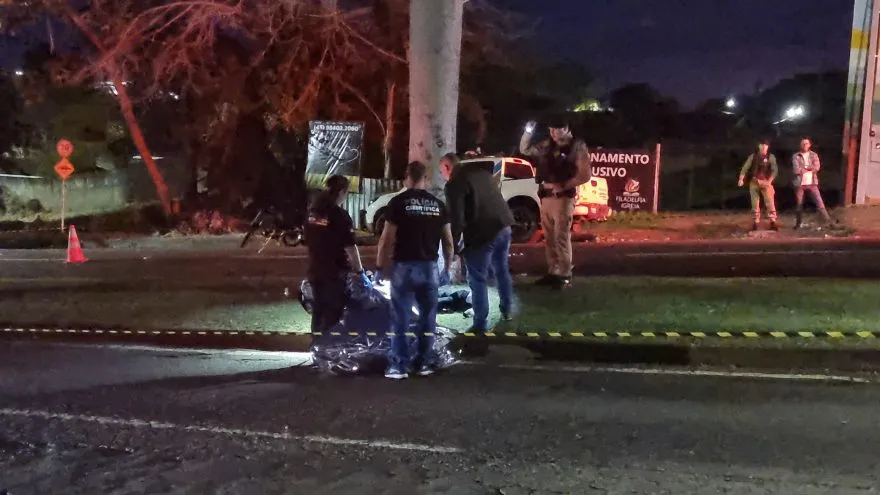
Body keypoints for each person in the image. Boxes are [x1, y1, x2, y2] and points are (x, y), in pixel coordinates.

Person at [376, 161, 454, 380]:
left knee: (400, 318)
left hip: (403, 268)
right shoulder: (438, 205)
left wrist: (380, 267)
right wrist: (447, 268)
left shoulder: (398, 203)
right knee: (427, 319)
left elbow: (386, 239)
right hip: (429, 268)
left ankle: (398, 366)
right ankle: (423, 363)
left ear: (406, 178)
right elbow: (448, 242)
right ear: (425, 179)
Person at [441, 152, 516, 354]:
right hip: (504, 225)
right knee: (501, 269)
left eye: (442, 171)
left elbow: (456, 219)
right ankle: (507, 309)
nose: (443, 176)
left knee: (477, 278)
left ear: (448, 167)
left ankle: (480, 323)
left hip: (483, 233)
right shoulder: (481, 173)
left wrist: (454, 246)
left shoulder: (454, 184)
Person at [519, 117, 592, 289]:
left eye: (557, 129)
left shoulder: (577, 147)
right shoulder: (547, 146)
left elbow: (585, 174)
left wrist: (565, 186)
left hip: (563, 197)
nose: (553, 133)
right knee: (549, 237)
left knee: (560, 236)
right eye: (551, 130)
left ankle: (565, 275)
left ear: (567, 129)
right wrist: (528, 132)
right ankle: (553, 272)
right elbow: (525, 149)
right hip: (546, 196)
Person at [304, 175, 366, 336]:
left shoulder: (313, 213)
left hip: (315, 269)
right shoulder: (340, 216)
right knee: (332, 314)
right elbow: (350, 247)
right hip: (335, 273)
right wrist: (360, 271)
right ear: (342, 192)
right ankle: (327, 352)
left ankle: (316, 348)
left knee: (318, 311)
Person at [738, 139, 779, 231]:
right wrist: (741, 178)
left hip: (766, 181)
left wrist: (770, 181)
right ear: (759, 146)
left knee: (770, 202)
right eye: (762, 145)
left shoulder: (770, 157)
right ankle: (756, 222)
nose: (764, 147)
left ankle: (772, 221)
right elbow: (745, 167)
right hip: (754, 182)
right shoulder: (753, 156)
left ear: (768, 147)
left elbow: (774, 170)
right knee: (755, 203)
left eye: (766, 146)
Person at [793, 137, 832, 229]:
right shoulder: (796, 156)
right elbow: (796, 170)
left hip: (812, 182)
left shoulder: (814, 155)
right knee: (799, 204)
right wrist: (809, 168)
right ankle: (798, 224)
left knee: (819, 202)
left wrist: (805, 169)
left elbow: (817, 167)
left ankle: (828, 222)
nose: (805, 145)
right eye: (803, 143)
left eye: (806, 143)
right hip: (800, 183)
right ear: (800, 145)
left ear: (809, 145)